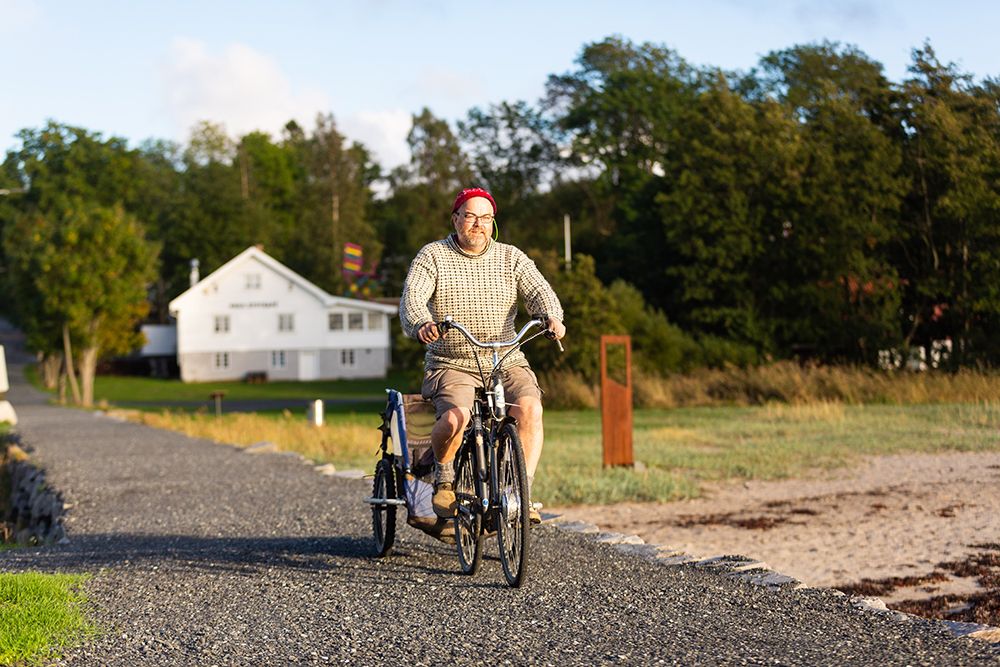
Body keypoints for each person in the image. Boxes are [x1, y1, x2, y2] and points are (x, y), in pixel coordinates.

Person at [399, 187, 566, 524]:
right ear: (456, 218)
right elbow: (412, 298)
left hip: (505, 358)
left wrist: (552, 317)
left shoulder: (511, 257)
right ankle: (444, 479)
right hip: (452, 362)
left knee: (531, 409)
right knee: (455, 418)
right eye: (471, 216)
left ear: (493, 222)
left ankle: (520, 494)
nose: (478, 224)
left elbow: (539, 290)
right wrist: (421, 323)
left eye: (485, 217)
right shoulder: (433, 256)